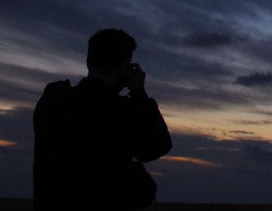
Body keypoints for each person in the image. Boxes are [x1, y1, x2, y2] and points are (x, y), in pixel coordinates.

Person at [33, 29, 172, 210]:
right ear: (124, 67)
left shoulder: (53, 100)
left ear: (89, 61)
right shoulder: (121, 111)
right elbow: (157, 145)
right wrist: (139, 93)